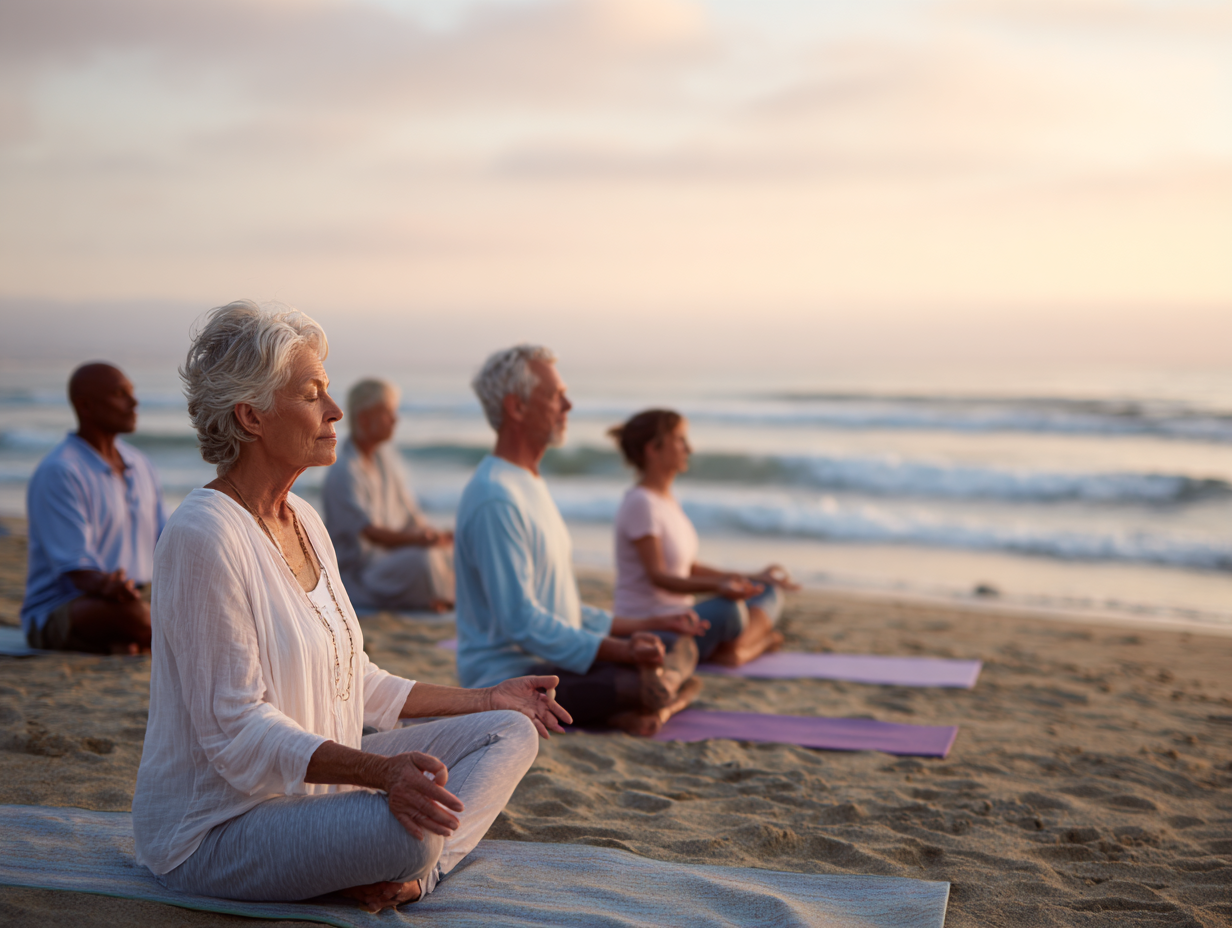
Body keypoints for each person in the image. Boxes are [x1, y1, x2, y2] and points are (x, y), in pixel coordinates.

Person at [133, 302, 570, 912]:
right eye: (313, 395)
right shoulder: (203, 534)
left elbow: (356, 681)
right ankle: (414, 868)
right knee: (411, 833)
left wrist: (487, 696)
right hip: (220, 828)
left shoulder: (305, 521)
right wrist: (380, 774)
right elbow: (235, 732)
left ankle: (413, 879)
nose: (335, 412)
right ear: (250, 416)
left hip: (317, 790)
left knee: (510, 731)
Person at [454, 345, 705, 737]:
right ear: (516, 408)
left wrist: (651, 623)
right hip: (513, 680)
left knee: (677, 642)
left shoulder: (528, 483)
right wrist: (622, 650)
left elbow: (563, 609)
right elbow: (524, 622)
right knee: (644, 681)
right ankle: (661, 697)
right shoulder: (496, 497)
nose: (568, 404)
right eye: (555, 396)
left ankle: (654, 701)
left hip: (557, 664)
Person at [610, 409, 798, 667]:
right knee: (729, 610)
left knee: (767, 591)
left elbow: (689, 567)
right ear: (653, 449)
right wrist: (718, 587)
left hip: (682, 617)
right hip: (656, 626)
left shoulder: (666, 501)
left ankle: (735, 649)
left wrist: (750, 578)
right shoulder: (640, 503)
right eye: (680, 440)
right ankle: (747, 648)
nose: (690, 448)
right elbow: (659, 577)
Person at [20, 362, 166, 653]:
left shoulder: (140, 464)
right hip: (69, 605)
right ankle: (130, 638)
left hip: (133, 597)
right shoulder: (61, 471)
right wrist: (108, 587)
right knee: (138, 618)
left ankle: (123, 640)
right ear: (85, 406)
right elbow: (77, 571)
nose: (133, 402)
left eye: (132, 392)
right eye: (119, 393)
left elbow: (166, 542)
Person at [323, 379, 454, 613]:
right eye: (387, 413)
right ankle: (437, 600)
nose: (395, 420)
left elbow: (410, 516)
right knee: (422, 560)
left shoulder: (384, 458)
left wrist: (435, 536)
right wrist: (419, 541)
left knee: (448, 551)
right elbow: (372, 534)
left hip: (390, 561)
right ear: (364, 418)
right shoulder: (344, 470)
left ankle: (440, 598)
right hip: (362, 575)